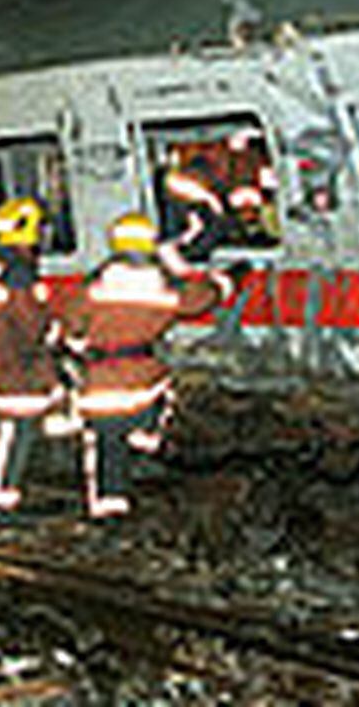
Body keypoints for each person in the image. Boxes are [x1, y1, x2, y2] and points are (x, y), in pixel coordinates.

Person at [58, 212, 232, 520]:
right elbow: (198, 300)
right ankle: (145, 437)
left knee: (104, 442)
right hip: (143, 377)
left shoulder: (96, 286)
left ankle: (109, 505)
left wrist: (78, 348)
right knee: (166, 394)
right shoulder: (162, 287)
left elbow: (71, 323)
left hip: (101, 381)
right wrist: (225, 282)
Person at [0, 196, 61, 514]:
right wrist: (53, 331)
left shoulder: (0, 268)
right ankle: (2, 497)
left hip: (7, 364)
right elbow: (31, 322)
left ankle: (8, 490)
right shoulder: (19, 272)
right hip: (20, 366)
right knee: (16, 431)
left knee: (16, 429)